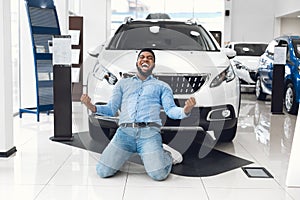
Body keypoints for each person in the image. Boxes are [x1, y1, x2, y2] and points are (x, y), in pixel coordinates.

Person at [81, 48, 196, 181]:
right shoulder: (122, 84)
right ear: (137, 63)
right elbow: (111, 109)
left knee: (159, 175)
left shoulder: (162, 86)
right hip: (124, 134)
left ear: (153, 65)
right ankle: (123, 155)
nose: (145, 59)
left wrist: (185, 110)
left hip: (149, 134)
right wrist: (92, 107)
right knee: (103, 171)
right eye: (142, 57)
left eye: (149, 58)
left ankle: (166, 154)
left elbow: (170, 110)